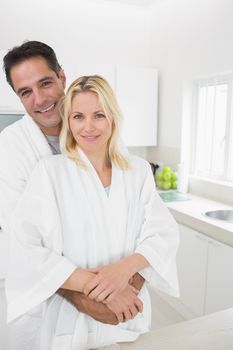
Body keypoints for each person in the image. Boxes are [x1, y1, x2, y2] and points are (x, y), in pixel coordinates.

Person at [6, 75, 180, 350]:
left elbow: (162, 234)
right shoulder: (50, 173)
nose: (88, 127)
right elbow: (25, 247)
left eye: (98, 115)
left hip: (129, 317)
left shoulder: (138, 171)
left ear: (112, 117)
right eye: (78, 116)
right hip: (70, 326)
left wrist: (124, 272)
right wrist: (96, 287)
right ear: (69, 121)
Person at [0, 41, 144, 349]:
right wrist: (90, 294)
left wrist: (127, 280)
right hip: (47, 299)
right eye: (25, 92)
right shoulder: (10, 148)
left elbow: (138, 222)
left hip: (114, 302)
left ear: (62, 77)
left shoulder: (100, 133)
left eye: (45, 83)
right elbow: (23, 241)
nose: (39, 99)